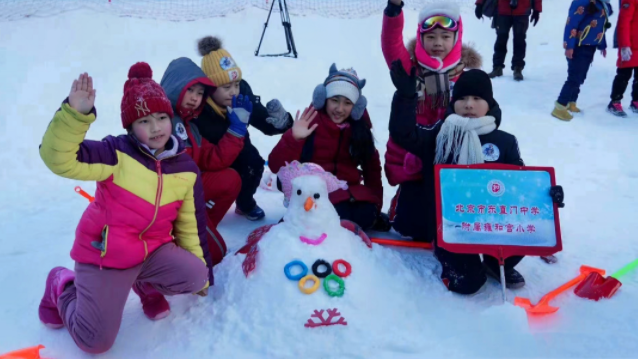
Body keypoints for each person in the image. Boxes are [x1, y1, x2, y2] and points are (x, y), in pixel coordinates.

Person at [38, 64, 212, 353]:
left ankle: (143, 283)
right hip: (107, 254)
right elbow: (58, 159)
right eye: (144, 121)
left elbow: (189, 225)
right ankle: (63, 287)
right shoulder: (116, 154)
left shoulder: (185, 167)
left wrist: (203, 271)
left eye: (161, 117)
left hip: (151, 250)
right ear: (131, 128)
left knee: (195, 276)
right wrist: (75, 115)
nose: (156, 127)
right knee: (94, 341)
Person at [388, 61, 565, 294]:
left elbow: (519, 186)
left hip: (491, 224)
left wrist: (546, 194)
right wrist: (405, 96)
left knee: (526, 236)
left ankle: (494, 263)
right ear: (454, 103)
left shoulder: (505, 141)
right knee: (468, 283)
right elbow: (403, 133)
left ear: (489, 104)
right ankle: (458, 263)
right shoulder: (439, 135)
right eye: (462, 99)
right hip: (451, 227)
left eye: (477, 99)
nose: (469, 104)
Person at [381, 0, 482, 241]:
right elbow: (391, 45)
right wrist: (394, 11)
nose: (438, 43)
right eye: (431, 36)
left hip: (450, 157)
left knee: (452, 219)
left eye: (446, 36)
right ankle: (403, 200)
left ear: (456, 38)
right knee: (413, 229)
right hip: (414, 154)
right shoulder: (410, 69)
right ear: (421, 37)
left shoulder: (466, 76)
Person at [268, 64, 387, 231]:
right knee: (333, 214)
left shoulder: (360, 129)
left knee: (365, 214)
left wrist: (376, 204)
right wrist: (293, 137)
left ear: (356, 107)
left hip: (345, 194)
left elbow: (372, 169)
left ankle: (309, 220)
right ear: (323, 99)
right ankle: (303, 219)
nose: (339, 109)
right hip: (312, 192)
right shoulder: (310, 122)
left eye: (347, 103)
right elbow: (275, 165)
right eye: (334, 100)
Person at [160, 57, 253, 262]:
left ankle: (202, 225)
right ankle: (179, 238)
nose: (195, 97)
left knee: (231, 178)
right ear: (175, 87)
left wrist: (237, 130)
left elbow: (213, 159)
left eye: (200, 93)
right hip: (167, 204)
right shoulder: (158, 124)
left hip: (190, 192)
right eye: (190, 90)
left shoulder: (189, 125)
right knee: (217, 254)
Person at [195, 36, 294, 221]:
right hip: (211, 156)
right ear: (209, 88)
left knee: (254, 164)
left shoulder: (242, 94)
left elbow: (261, 119)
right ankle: (203, 208)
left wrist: (280, 122)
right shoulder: (200, 107)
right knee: (219, 178)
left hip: (239, 147)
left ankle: (244, 202)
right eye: (226, 87)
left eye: (236, 84)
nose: (234, 91)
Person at [552, 0, 612, 121]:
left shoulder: (602, 3)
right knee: (574, 77)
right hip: (579, 45)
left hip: (591, 45)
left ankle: (571, 101)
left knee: (581, 76)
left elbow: (602, 25)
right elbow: (571, 24)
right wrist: (569, 46)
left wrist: (602, 45)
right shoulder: (581, 2)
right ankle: (560, 106)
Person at [475, 0, 543, 81]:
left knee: (519, 40)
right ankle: (497, 67)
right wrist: (479, 4)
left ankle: (518, 68)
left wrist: (537, 10)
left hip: (522, 11)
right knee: (501, 39)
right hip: (502, 10)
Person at [608, 0, 638, 117]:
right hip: (630, 46)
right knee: (624, 75)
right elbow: (623, 22)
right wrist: (625, 45)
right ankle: (614, 102)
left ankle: (636, 101)